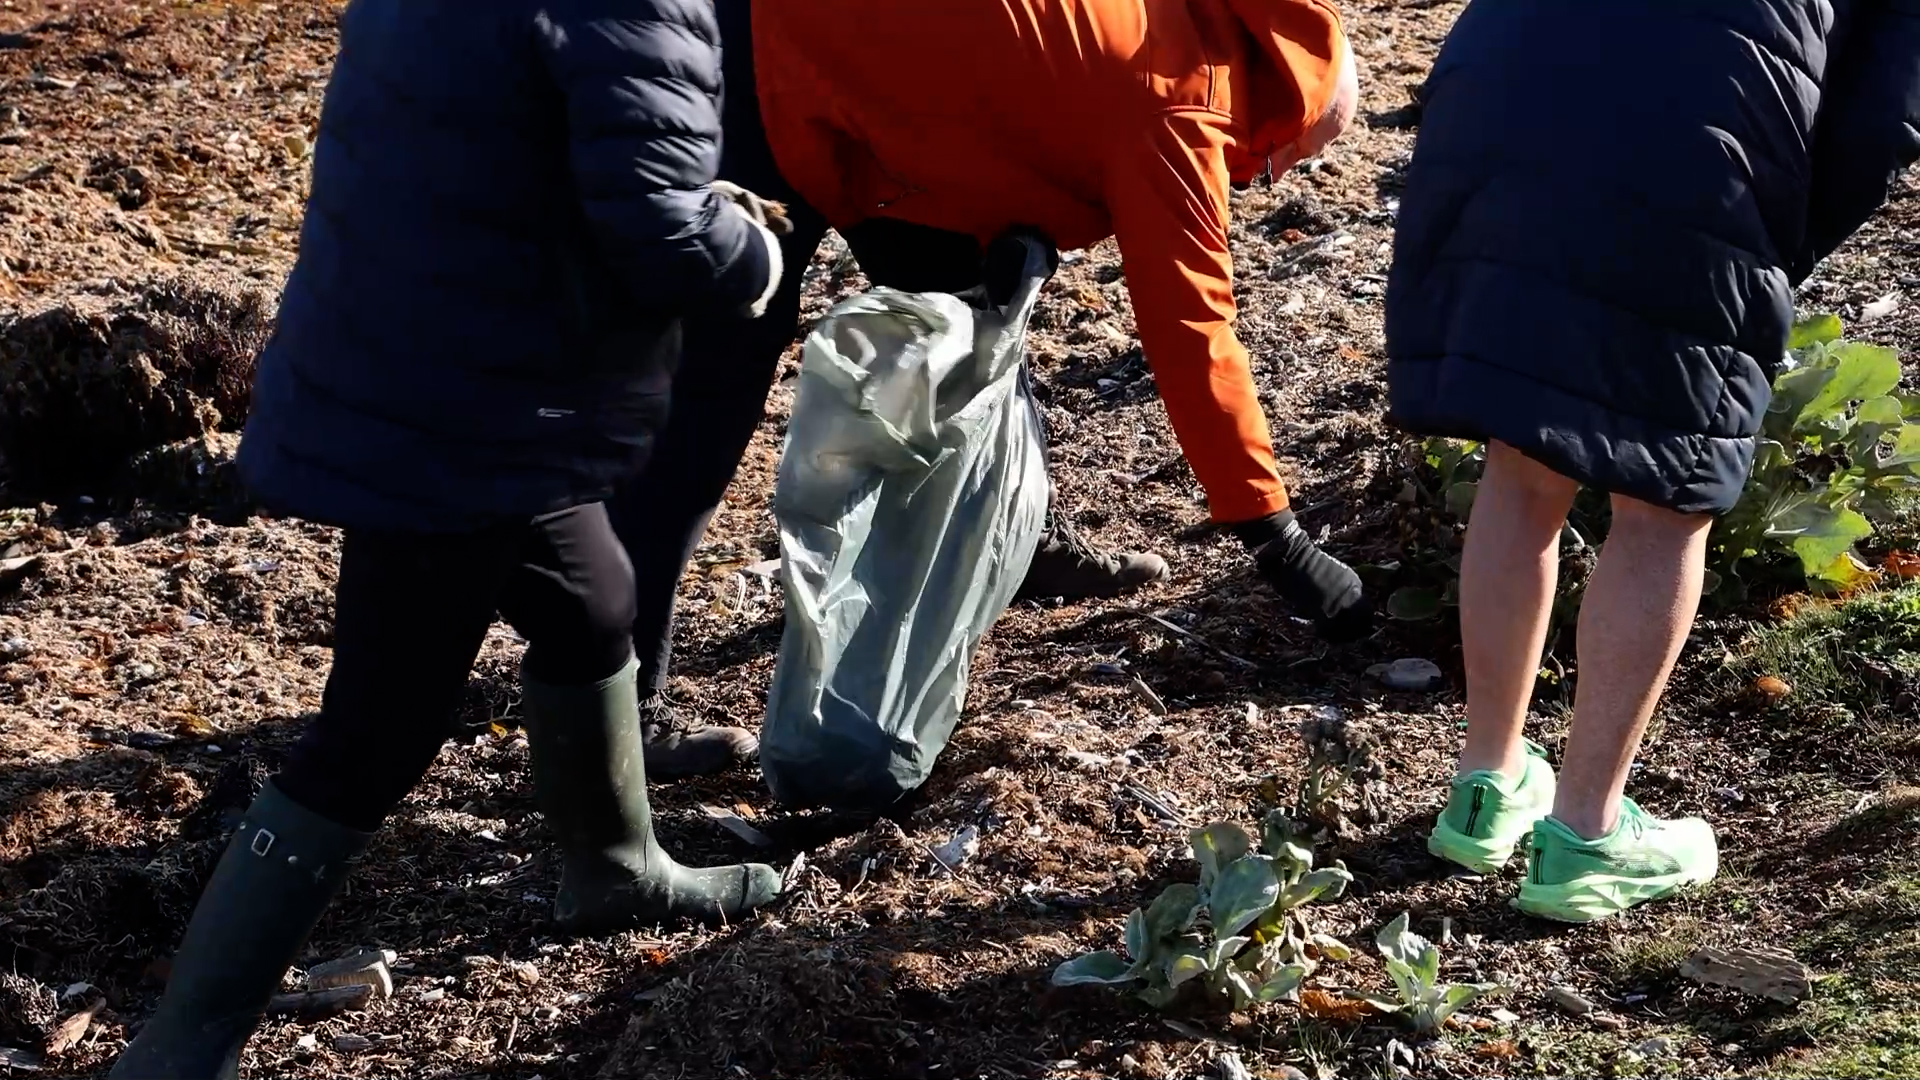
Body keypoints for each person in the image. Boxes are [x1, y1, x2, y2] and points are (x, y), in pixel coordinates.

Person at [108, 0, 792, 1074]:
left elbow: (511, 141)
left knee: (592, 598)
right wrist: (743, 252)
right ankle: (180, 1047)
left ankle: (614, 869)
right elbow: (654, 227)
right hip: (460, 411)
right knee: (376, 731)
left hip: (434, 354)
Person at [606, 0, 1373, 775]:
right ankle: (617, 705)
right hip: (765, 62)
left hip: (876, 85)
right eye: (1282, 166)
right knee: (713, 382)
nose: (1261, 182)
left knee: (965, 306)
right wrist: (1277, 539)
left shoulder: (1179, 20)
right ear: (1281, 118)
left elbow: (1015, 80)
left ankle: (1018, 536)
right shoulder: (1181, 106)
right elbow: (1192, 332)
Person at [1388, 0, 1920, 922]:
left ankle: (1486, 785)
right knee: (1668, 496)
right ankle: (1586, 837)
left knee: (1521, 460)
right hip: (1693, 144)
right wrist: (1772, 243)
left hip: (1497, 103)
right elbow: (1882, 118)